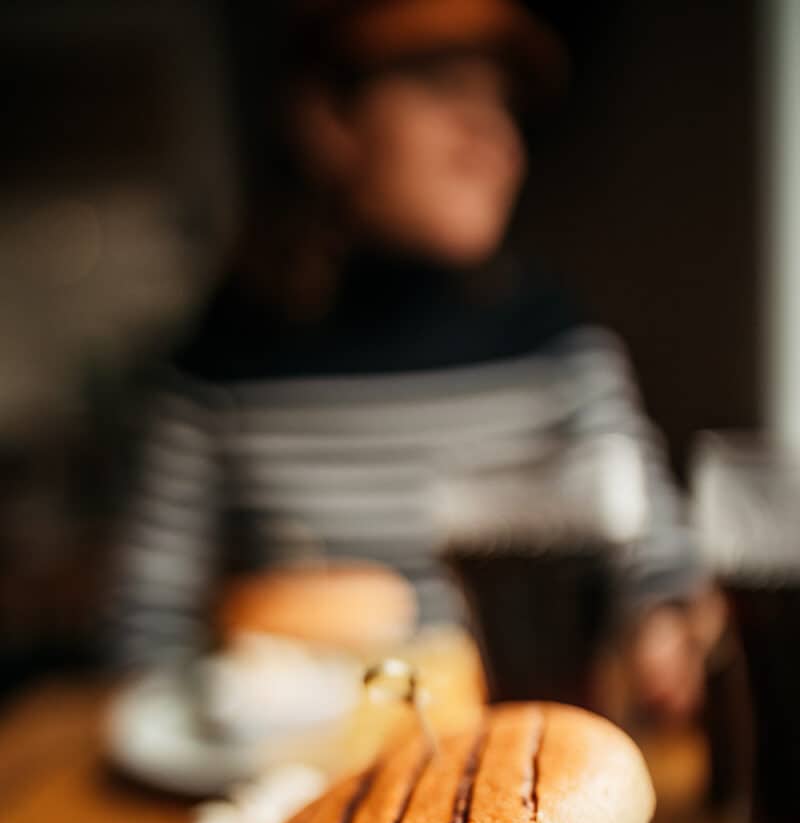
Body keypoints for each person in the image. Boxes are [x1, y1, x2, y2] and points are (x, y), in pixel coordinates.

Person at [108, 0, 720, 719]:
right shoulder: (228, 360)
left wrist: (669, 627)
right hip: (308, 762)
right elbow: (147, 623)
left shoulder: (554, 341)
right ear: (328, 120)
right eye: (445, 91)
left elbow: (659, 559)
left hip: (519, 733)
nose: (493, 141)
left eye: (502, 105)